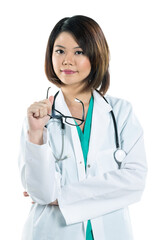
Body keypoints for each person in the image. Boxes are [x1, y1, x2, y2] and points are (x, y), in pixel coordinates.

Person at [18, 15, 147, 240]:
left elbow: (135, 181)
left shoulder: (121, 113)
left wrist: (62, 197)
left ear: (96, 55)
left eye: (78, 52)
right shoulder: (37, 117)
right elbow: (42, 193)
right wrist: (37, 133)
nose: (67, 61)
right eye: (59, 51)